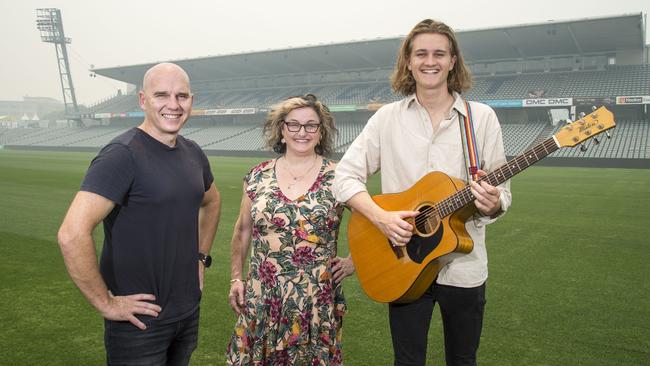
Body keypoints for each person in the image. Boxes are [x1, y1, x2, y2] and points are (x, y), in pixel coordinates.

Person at [333, 19, 512, 366]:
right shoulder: (386, 119)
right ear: (409, 62)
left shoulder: (481, 118)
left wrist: (492, 203)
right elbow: (344, 176)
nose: (430, 61)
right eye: (422, 54)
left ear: (453, 61)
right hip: (402, 263)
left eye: (439, 54)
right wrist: (381, 218)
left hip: (464, 268)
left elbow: (501, 193)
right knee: (407, 361)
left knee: (463, 360)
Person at [57, 62, 221, 366]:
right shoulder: (122, 154)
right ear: (143, 100)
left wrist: (200, 257)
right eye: (162, 95)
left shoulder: (194, 152)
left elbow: (212, 202)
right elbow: (71, 233)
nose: (173, 105)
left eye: (181, 96)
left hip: (186, 312)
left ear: (192, 101)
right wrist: (106, 303)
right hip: (139, 324)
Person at [225, 94, 355, 365]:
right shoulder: (257, 175)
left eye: (311, 126)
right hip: (262, 298)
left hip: (314, 302)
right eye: (293, 124)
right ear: (281, 130)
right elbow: (242, 231)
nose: (302, 132)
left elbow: (375, 224)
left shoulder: (339, 177)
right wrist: (236, 278)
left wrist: (354, 262)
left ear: (321, 133)